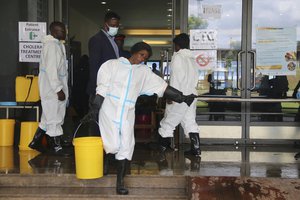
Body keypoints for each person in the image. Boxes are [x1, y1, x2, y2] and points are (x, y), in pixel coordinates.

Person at [83, 42, 196, 195]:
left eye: (146, 57)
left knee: (126, 146)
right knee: (112, 144)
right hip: (109, 110)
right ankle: (107, 160)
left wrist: (182, 97)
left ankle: (120, 183)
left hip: (128, 113)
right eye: (141, 55)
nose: (142, 59)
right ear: (134, 51)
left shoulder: (143, 72)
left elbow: (162, 87)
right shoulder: (112, 65)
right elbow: (102, 88)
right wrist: (95, 108)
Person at [28, 21, 70, 156]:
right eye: (61, 30)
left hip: (53, 87)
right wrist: (58, 89)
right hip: (52, 89)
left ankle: (36, 141)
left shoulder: (57, 45)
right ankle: (56, 147)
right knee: (54, 117)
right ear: (53, 32)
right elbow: (52, 71)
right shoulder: (52, 46)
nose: (64, 33)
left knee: (47, 117)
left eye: (64, 30)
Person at [158, 33, 201, 157]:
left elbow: (176, 78)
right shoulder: (192, 58)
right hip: (191, 95)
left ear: (176, 45)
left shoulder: (178, 57)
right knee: (190, 121)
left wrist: (172, 95)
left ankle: (163, 149)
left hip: (180, 96)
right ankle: (196, 149)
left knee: (168, 122)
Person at [86, 11, 121, 106]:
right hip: (100, 89)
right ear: (106, 25)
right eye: (113, 25)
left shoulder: (113, 41)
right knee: (97, 117)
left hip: (111, 87)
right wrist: (97, 90)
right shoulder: (97, 40)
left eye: (117, 26)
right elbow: (94, 66)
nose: (115, 28)